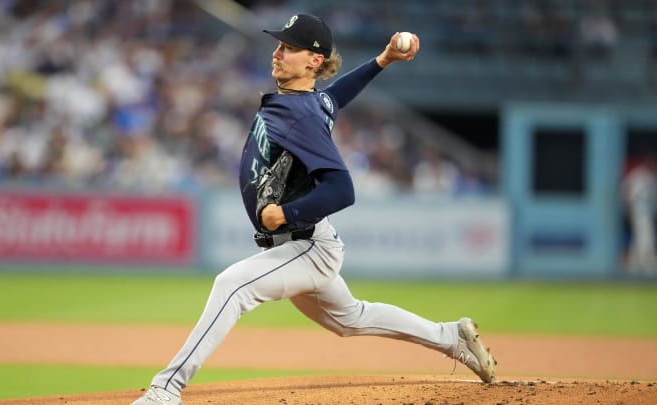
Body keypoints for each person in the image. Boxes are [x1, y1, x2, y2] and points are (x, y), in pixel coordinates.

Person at [131, 14, 497, 405]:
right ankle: (451, 337)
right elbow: (336, 95)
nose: (277, 52)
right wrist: (383, 60)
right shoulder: (310, 102)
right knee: (352, 318)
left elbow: (342, 188)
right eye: (279, 44)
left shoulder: (300, 114)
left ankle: (166, 390)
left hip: (305, 245)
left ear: (313, 61)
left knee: (231, 286)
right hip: (301, 244)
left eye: (289, 47)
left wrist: (287, 214)